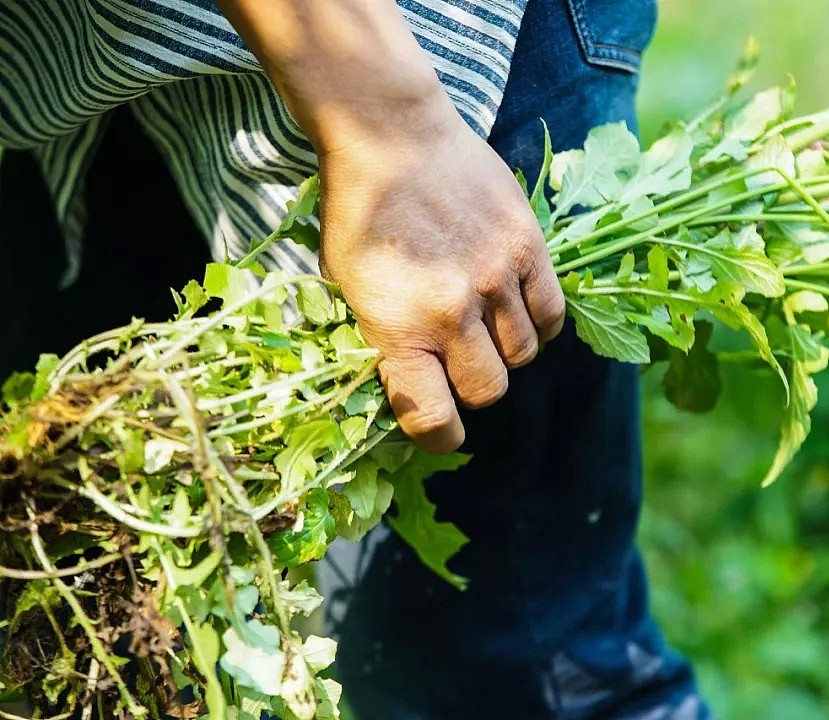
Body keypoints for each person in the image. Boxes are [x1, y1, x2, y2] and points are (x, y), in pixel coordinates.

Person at [0, 0, 709, 717]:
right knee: (82, 623)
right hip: (73, 74)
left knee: (500, 674)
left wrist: (396, 131)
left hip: (412, 56)